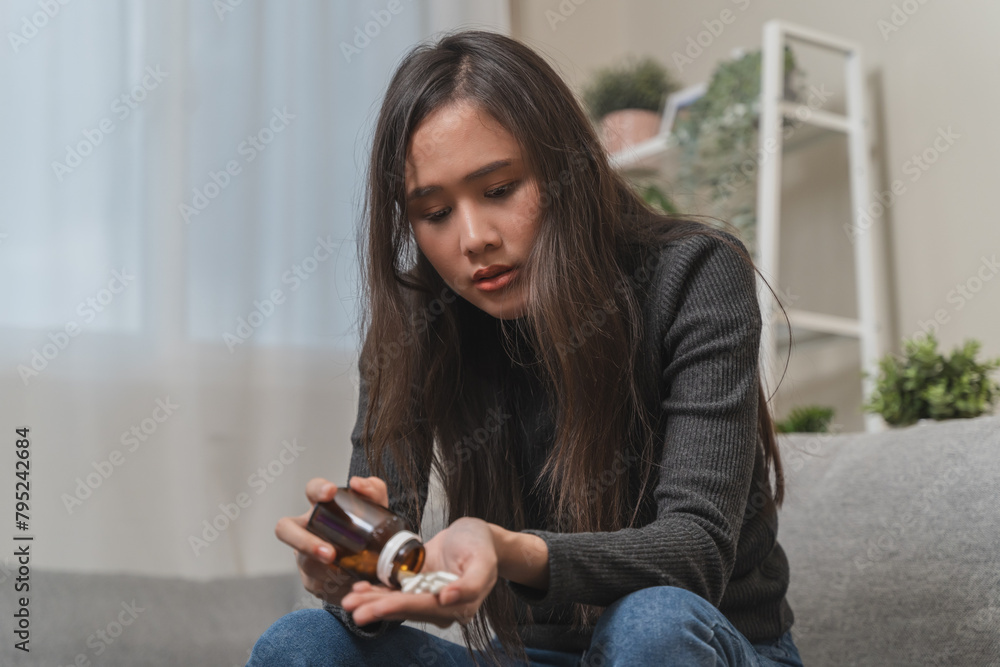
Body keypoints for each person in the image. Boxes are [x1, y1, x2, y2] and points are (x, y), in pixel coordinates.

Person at [247, 28, 803, 667]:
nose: (474, 238)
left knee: (653, 624)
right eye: (434, 213)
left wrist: (507, 549)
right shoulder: (414, 320)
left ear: (564, 167)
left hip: (695, 644)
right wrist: (352, 566)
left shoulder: (695, 275)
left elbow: (695, 552)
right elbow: (395, 577)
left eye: (499, 190)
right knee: (299, 643)